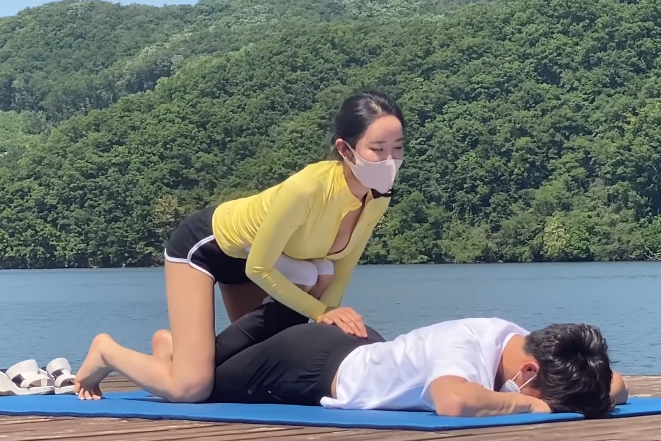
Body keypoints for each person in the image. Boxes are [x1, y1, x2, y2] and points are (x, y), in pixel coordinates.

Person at [73, 90, 405, 402]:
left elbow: (345, 262)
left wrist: (332, 313)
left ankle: (172, 352)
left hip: (259, 259)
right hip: (207, 248)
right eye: (378, 149)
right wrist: (321, 312)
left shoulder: (377, 197)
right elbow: (258, 267)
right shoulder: (308, 189)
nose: (389, 159)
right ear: (346, 150)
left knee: (308, 287)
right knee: (191, 387)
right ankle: (107, 352)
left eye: (398, 148)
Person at [208, 304, 629, 419]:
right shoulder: (466, 345)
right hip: (309, 365)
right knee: (198, 385)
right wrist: (532, 405)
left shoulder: (530, 347)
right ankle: (173, 348)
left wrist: (588, 397)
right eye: (545, 394)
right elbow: (453, 401)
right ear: (529, 371)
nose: (546, 403)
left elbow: (617, 384)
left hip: (362, 348)